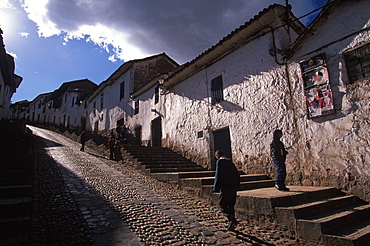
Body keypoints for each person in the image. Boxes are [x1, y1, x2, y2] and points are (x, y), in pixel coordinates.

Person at [213, 150, 240, 231]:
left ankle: (232, 220)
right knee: (231, 205)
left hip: (225, 187)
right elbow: (236, 175)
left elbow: (218, 175)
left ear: (218, 155)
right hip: (233, 187)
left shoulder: (220, 162)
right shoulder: (230, 162)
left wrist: (216, 187)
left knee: (222, 204)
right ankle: (230, 223)